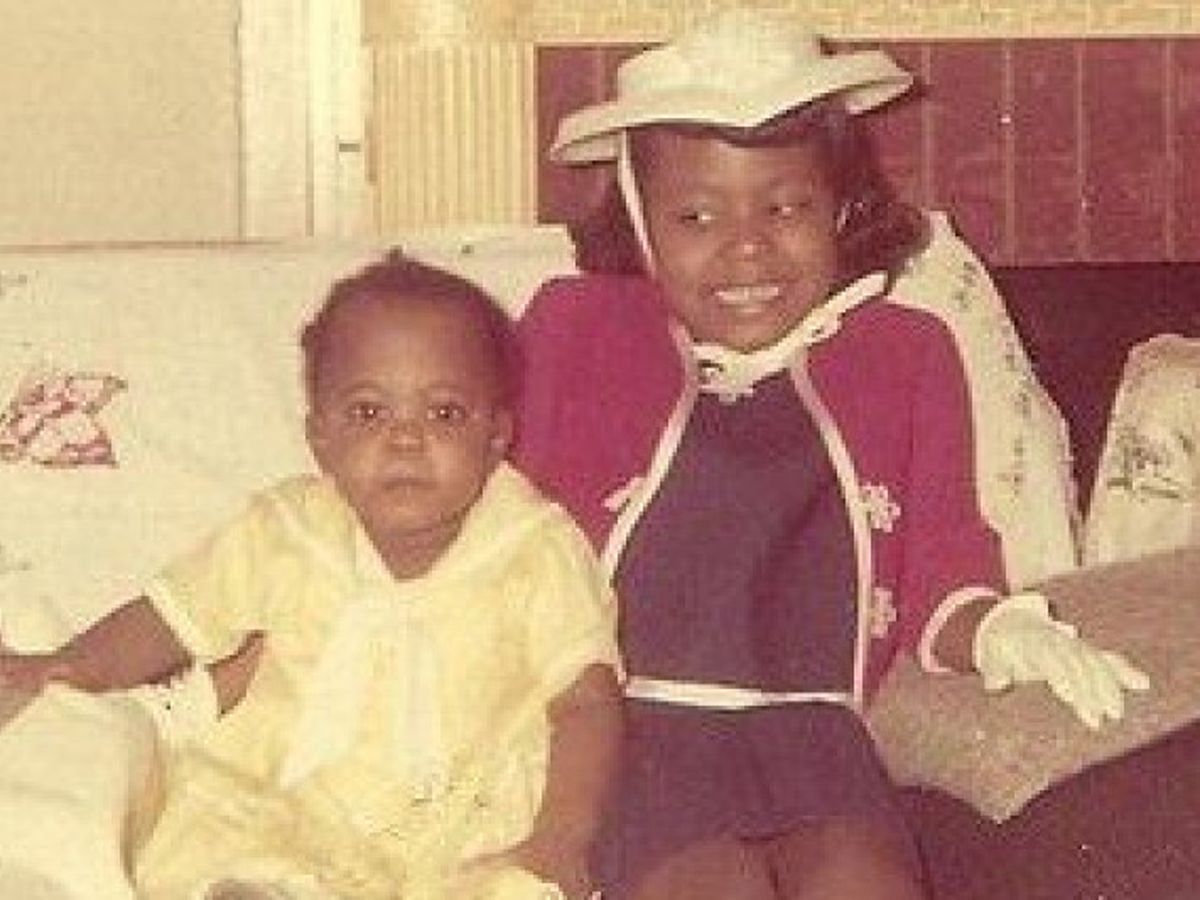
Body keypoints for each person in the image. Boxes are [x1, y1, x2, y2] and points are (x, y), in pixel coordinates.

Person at [511, 9, 1148, 900]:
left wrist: (1001, 630)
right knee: (712, 888)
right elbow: (489, 520)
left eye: (786, 208)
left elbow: (944, 565)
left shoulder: (906, 353)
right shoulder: (576, 331)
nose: (747, 246)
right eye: (696, 215)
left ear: (841, 210)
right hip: (631, 731)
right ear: (642, 224)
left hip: (817, 739)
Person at [0, 254, 622, 900]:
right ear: (319, 437)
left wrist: (562, 835)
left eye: (444, 414)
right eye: (368, 413)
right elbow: (172, 615)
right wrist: (71, 662)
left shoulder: (533, 548)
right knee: (217, 850)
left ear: (496, 437)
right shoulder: (286, 530)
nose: (405, 439)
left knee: (513, 889)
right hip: (291, 807)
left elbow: (585, 703)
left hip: (463, 828)